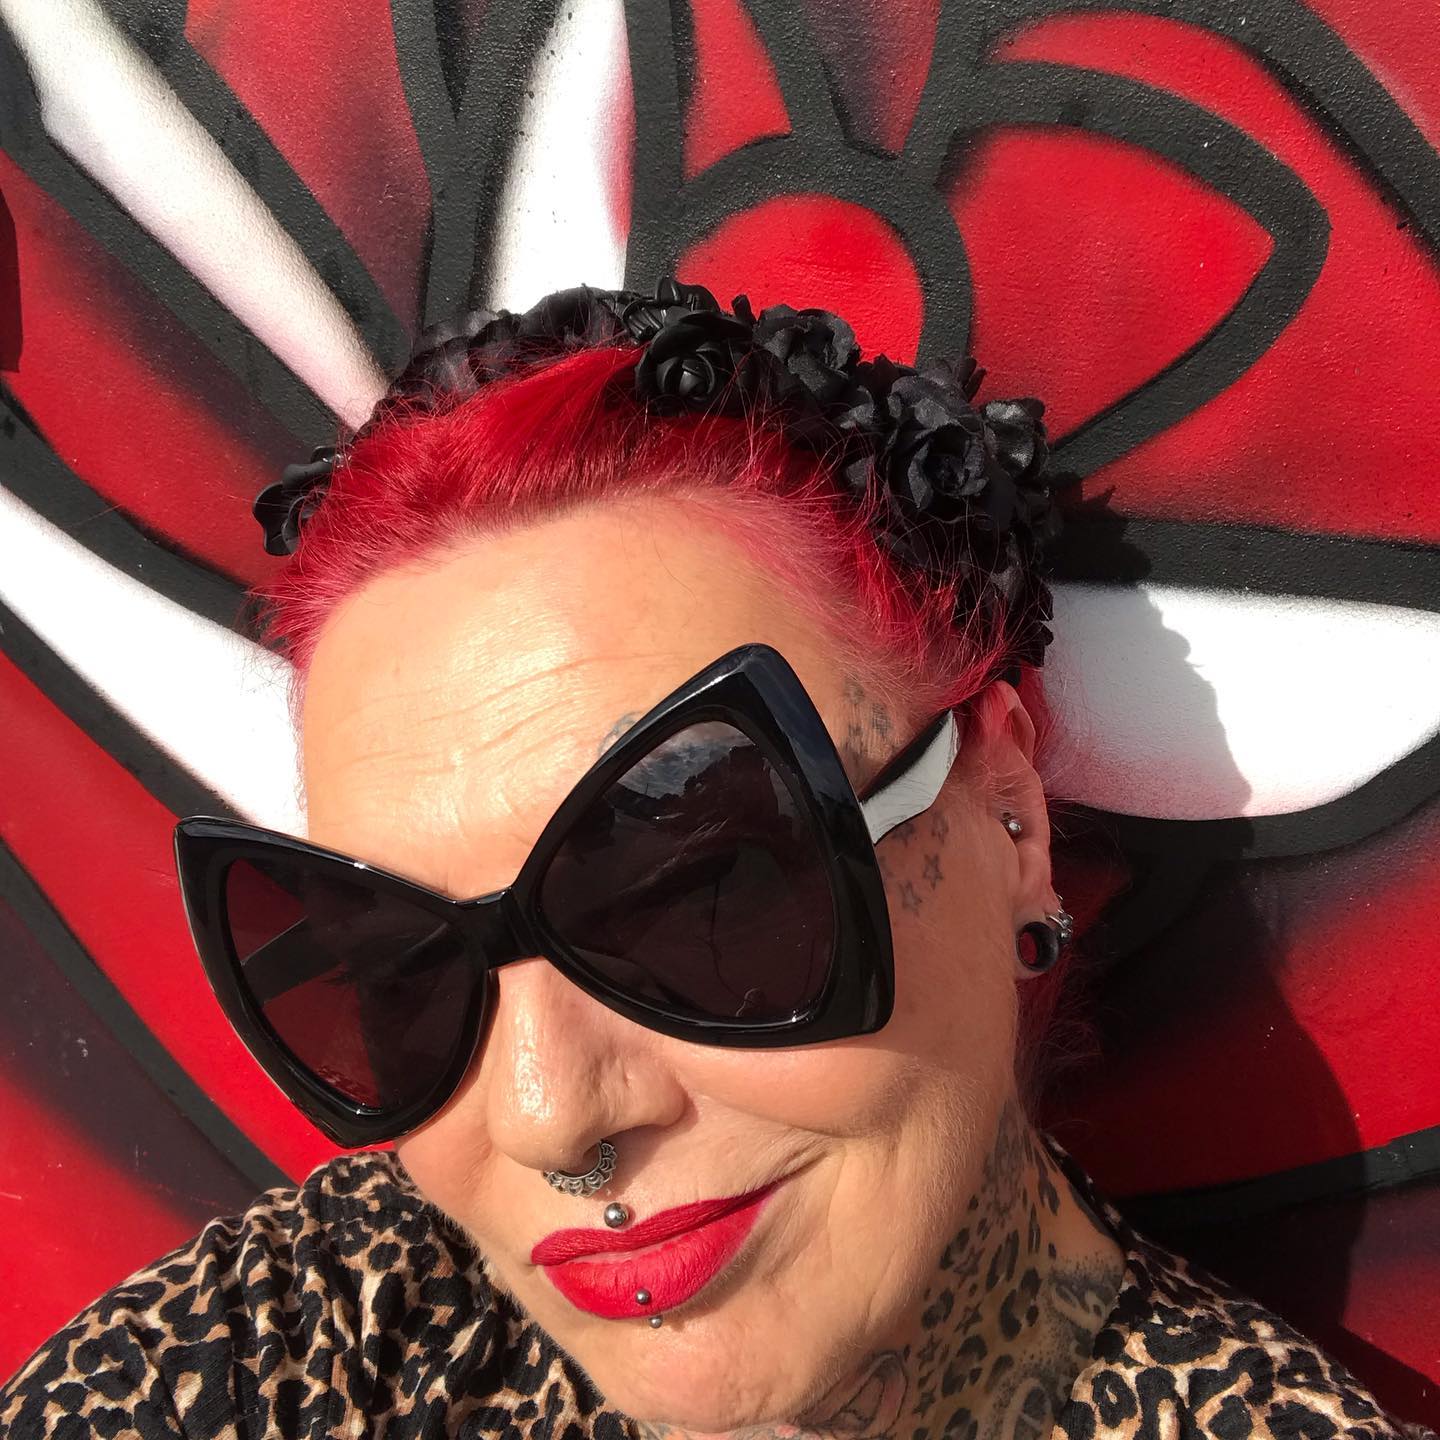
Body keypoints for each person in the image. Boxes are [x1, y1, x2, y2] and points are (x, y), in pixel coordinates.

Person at [2, 281, 1432, 1440]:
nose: (550, 1116)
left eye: (700, 894)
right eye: (403, 967)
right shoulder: (294, 1355)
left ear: (1007, 813)